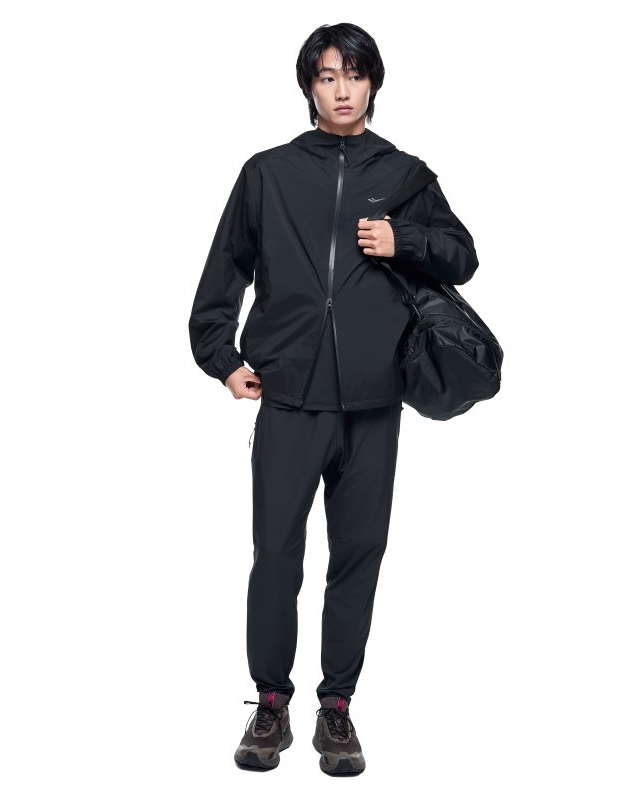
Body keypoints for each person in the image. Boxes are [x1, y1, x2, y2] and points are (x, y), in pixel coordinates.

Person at [188, 22, 479, 776]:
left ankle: (337, 707)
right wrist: (224, 361)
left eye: (353, 74)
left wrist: (405, 241)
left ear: (373, 83)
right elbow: (223, 273)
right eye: (326, 76)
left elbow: (463, 256)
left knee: (358, 557)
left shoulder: (407, 174)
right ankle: (270, 702)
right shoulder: (269, 173)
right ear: (309, 87)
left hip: (374, 403)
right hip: (288, 400)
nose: (341, 89)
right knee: (275, 558)